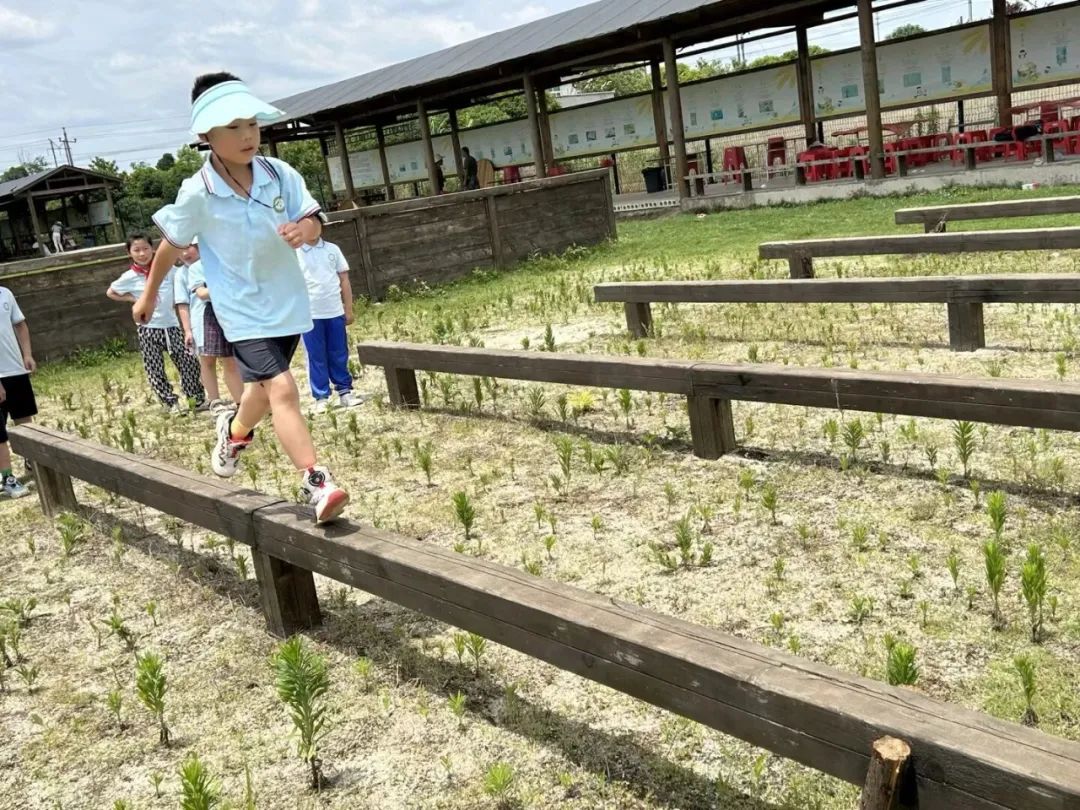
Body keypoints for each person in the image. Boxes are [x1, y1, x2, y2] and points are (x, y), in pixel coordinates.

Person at [136, 71, 348, 524]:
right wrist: (150, 294)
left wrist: (302, 229)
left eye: (251, 123)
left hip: (288, 302)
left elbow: (314, 220)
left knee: (259, 393)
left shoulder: (278, 173)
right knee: (283, 388)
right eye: (232, 127)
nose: (247, 135)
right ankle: (317, 481)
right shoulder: (197, 192)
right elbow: (171, 245)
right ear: (205, 134)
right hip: (239, 310)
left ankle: (232, 435)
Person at [107, 234, 205, 413]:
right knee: (154, 368)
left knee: (188, 361)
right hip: (148, 328)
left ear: (153, 249)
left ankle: (195, 399)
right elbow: (111, 292)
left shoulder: (167, 270)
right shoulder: (129, 276)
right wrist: (134, 299)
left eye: (145, 249)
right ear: (129, 253)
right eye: (136, 250)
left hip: (172, 325)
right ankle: (170, 403)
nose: (142, 254)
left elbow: (184, 276)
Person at [173, 240, 243, 415]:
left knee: (230, 360)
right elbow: (183, 304)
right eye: (181, 249)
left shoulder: (218, 263)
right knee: (207, 359)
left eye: (190, 247)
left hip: (225, 315)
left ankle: (241, 401)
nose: (186, 252)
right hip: (202, 318)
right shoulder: (183, 274)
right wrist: (187, 330)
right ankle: (214, 399)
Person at [296, 235, 360, 413]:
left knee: (339, 352)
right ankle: (321, 396)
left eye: (316, 222)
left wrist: (348, 308)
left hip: (334, 311)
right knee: (316, 355)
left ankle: (345, 391)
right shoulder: (295, 252)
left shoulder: (332, 249)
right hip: (310, 315)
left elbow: (344, 280)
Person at [0, 286, 37, 498]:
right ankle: (7, 477)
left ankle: (32, 463)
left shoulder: (5, 293)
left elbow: (20, 324)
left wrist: (27, 354)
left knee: (24, 420)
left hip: (15, 370)